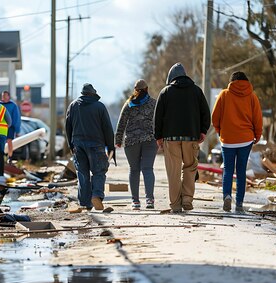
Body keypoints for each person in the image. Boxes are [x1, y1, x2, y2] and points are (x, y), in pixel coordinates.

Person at [154, 63, 210, 213]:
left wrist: (158, 136)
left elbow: (157, 117)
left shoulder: (165, 92)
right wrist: (203, 131)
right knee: (190, 168)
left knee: (174, 171)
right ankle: (187, 199)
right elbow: (206, 113)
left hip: (170, 139)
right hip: (191, 137)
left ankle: (175, 205)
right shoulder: (196, 91)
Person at [212, 71, 262, 212]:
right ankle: (239, 203)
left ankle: (227, 196)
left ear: (231, 82)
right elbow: (257, 118)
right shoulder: (252, 97)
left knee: (228, 169)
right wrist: (257, 135)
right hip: (245, 139)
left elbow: (215, 117)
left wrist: (219, 131)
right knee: (241, 171)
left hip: (227, 139)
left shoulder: (224, 95)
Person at [65, 83, 115, 211]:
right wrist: (110, 147)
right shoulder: (99, 106)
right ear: (93, 93)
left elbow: (68, 128)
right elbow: (108, 128)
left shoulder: (73, 106)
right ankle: (97, 195)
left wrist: (71, 145)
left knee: (82, 173)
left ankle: (85, 203)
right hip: (96, 145)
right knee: (99, 172)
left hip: (78, 145)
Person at [115, 79, 157, 210]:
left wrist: (118, 140)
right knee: (148, 169)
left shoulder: (129, 104)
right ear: (147, 89)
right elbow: (160, 121)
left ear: (135, 90)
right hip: (150, 140)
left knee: (134, 170)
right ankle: (149, 199)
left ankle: (135, 202)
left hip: (131, 141)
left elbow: (121, 122)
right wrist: (161, 138)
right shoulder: (154, 103)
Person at [1, 90, 21, 157]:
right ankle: (1, 157)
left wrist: (17, 130)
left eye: (5, 95)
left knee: (9, 142)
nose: (3, 97)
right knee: (1, 142)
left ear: (8, 96)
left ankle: (10, 157)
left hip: (10, 127)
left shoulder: (13, 105)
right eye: (2, 95)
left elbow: (16, 117)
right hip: (0, 126)